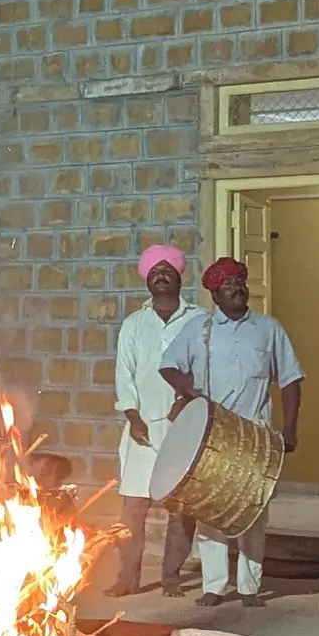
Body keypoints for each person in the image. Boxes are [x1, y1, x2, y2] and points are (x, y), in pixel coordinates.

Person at [158, 256, 305, 609]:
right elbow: (167, 364)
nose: (237, 289)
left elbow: (290, 379)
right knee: (211, 514)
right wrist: (188, 389)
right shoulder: (199, 330)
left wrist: (289, 429)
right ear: (215, 295)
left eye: (240, 282)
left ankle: (250, 588)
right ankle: (215, 586)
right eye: (228, 285)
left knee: (253, 512)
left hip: (256, 434)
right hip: (214, 437)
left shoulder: (269, 329)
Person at [107, 245, 200, 597]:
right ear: (147, 278)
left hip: (184, 426)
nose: (161, 275)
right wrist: (133, 416)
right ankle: (126, 578)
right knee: (133, 507)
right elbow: (124, 374)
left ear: (180, 276)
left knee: (180, 507)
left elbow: (203, 368)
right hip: (141, 426)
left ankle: (171, 577)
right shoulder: (134, 323)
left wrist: (187, 404)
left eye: (168, 270)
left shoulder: (198, 319)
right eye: (155, 271)